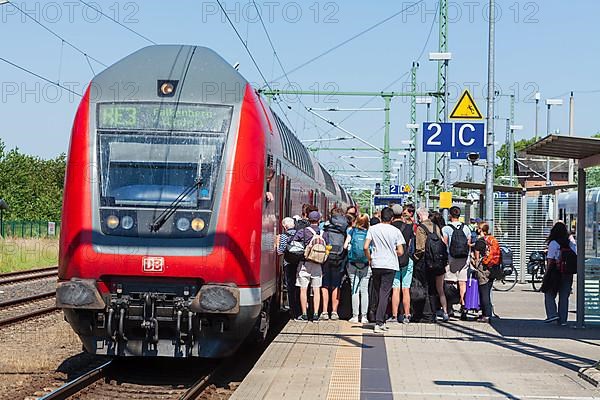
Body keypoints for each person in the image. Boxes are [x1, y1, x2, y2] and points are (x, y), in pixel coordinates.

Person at [364, 207, 405, 333]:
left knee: (377, 292)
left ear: (381, 217)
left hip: (376, 263)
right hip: (390, 264)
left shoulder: (372, 229)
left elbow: (365, 246)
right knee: (385, 293)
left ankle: (376, 318)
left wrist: (370, 258)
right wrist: (393, 252)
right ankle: (379, 322)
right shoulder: (396, 231)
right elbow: (401, 251)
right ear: (392, 218)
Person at [414, 207, 448, 322]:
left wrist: (414, 259)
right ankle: (433, 313)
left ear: (419, 216)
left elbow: (420, 248)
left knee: (425, 287)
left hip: (425, 262)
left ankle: (426, 314)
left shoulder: (420, 228)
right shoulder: (436, 227)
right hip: (437, 261)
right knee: (434, 288)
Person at [293, 210, 327, 322]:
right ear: (319, 220)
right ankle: (316, 314)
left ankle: (304, 314)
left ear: (308, 219)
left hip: (305, 263)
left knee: (303, 289)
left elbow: (293, 241)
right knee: (316, 289)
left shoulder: (303, 231)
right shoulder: (323, 233)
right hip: (318, 265)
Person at [542, 221, 576, 326]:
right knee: (564, 296)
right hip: (568, 272)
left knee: (549, 293)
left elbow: (550, 259)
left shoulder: (553, 243)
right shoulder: (570, 242)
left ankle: (552, 314)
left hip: (555, 272)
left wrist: (546, 274)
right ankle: (563, 320)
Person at [441, 206, 472, 320]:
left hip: (451, 258)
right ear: (459, 215)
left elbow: (444, 244)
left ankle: (449, 307)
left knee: (449, 282)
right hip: (464, 258)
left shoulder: (446, 228)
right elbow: (468, 243)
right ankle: (463, 306)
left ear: (450, 215)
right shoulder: (466, 228)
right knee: (462, 283)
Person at [320, 207, 349, 320]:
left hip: (326, 257)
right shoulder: (345, 227)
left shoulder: (325, 225)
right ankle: (334, 312)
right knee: (336, 285)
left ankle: (324, 311)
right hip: (339, 258)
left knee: (325, 284)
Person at [389, 204, 415, 324]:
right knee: (406, 289)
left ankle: (394, 316)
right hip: (406, 260)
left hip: (393, 260)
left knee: (395, 289)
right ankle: (406, 315)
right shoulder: (409, 227)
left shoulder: (389, 228)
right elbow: (410, 245)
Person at [344, 214, 371, 323]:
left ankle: (355, 316)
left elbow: (345, 246)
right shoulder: (369, 233)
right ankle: (364, 317)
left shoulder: (351, 231)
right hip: (366, 265)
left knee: (354, 289)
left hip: (353, 264)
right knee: (364, 291)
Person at [276, 217, 300, 319]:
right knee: (299, 287)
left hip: (288, 263)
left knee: (291, 287)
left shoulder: (284, 236)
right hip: (300, 264)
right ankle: (301, 310)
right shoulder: (300, 233)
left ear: (285, 227)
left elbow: (280, 251)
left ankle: (293, 311)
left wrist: (277, 243)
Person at [471, 222, 495, 323]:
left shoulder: (480, 242)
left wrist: (473, 261)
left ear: (480, 230)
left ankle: (486, 315)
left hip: (483, 269)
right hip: (492, 268)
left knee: (483, 292)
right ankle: (487, 313)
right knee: (488, 291)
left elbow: (476, 259)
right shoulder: (491, 239)